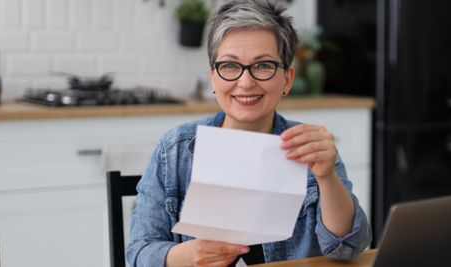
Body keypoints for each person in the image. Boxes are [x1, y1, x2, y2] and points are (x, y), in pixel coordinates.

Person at [125, 0, 372, 266]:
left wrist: (326, 177)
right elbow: (139, 252)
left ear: (286, 79)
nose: (245, 82)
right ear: (214, 77)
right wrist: (188, 255)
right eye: (230, 66)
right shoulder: (173, 150)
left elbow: (348, 249)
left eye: (263, 65)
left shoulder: (312, 147)